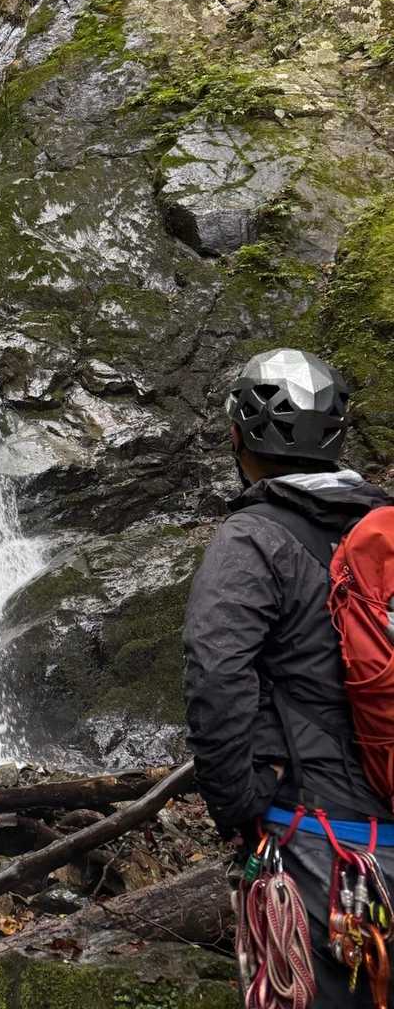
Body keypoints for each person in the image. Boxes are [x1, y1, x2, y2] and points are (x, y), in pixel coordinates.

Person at [184, 347, 394, 1006]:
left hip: (320, 846)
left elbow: (216, 674)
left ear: (237, 437)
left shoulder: (252, 539)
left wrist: (239, 808)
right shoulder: (383, 530)